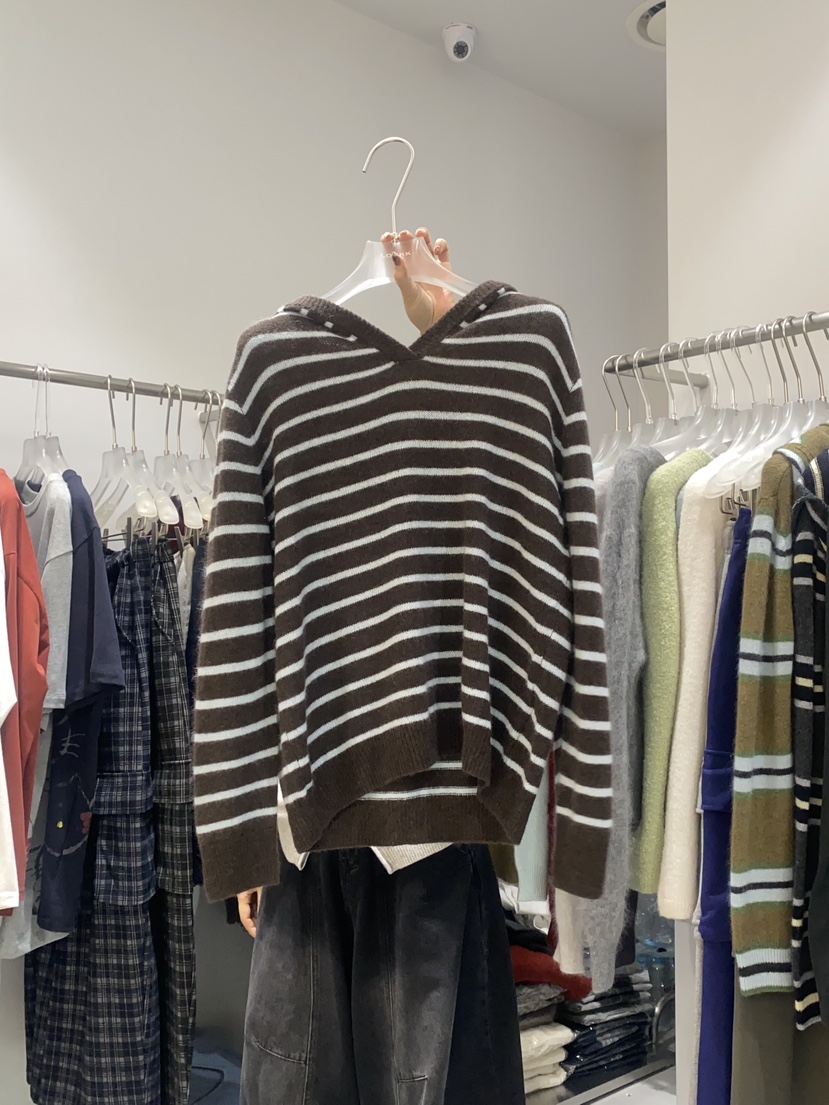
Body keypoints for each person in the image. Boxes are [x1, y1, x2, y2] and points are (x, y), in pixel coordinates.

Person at [237, 226, 455, 939]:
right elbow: (244, 621)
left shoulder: (459, 413)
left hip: (429, 821)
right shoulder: (272, 378)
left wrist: (448, 330)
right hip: (307, 815)